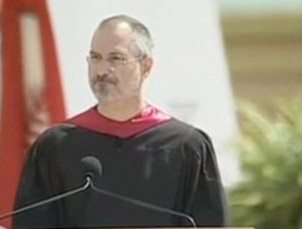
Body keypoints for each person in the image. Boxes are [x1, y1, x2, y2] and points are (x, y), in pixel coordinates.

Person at [12, 14, 228, 228]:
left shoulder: (186, 147)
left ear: (146, 66)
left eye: (115, 58)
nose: (101, 70)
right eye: (95, 57)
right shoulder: (55, 146)